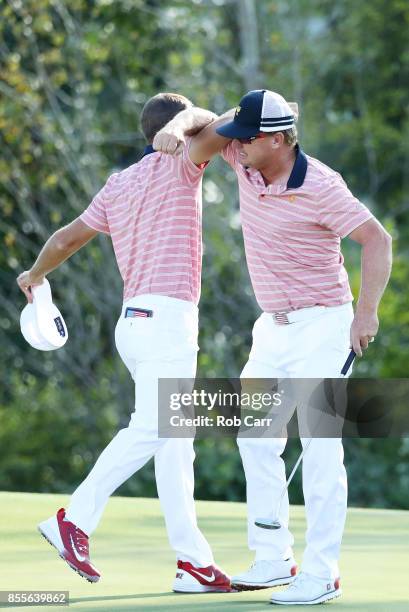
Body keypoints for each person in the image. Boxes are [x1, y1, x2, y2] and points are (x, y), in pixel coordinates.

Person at [153, 89, 392, 605]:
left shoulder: (323, 185)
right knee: (255, 437)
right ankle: (274, 556)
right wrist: (180, 124)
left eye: (247, 138)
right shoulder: (244, 156)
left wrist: (366, 312)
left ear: (280, 139)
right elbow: (202, 130)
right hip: (272, 327)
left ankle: (323, 571)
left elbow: (377, 240)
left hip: (325, 326)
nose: (232, 148)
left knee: (321, 445)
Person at [16, 92, 232, 593]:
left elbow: (67, 239)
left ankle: (192, 562)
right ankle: (74, 520)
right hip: (167, 324)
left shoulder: (119, 184)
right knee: (155, 427)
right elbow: (223, 121)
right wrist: (186, 128)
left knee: (176, 444)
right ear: (179, 131)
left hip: (134, 325)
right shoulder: (182, 162)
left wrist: (34, 273)